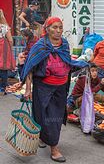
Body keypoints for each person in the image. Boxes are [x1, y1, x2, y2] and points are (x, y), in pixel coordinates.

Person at [21, 16, 88, 162]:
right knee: (40, 115)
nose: (58, 31)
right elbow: (30, 67)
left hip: (61, 87)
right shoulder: (40, 46)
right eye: (54, 27)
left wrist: (82, 64)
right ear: (47, 29)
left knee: (54, 117)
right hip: (43, 87)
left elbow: (66, 60)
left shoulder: (64, 43)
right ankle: (46, 139)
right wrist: (27, 89)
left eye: (60, 28)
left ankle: (54, 147)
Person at [0, 9, 15, 94]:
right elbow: (10, 40)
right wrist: (10, 48)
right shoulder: (4, 27)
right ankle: (3, 87)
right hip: (3, 47)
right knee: (3, 67)